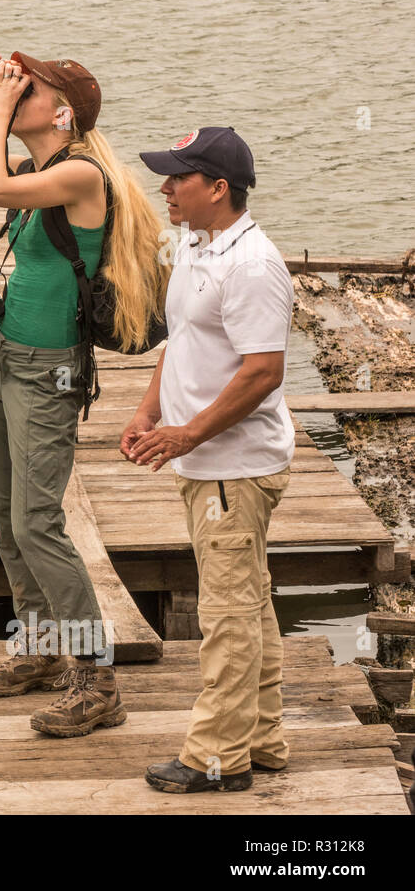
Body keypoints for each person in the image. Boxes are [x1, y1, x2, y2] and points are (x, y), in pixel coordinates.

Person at [0, 53, 168, 736]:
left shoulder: (80, 174)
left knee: (38, 522)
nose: (15, 92)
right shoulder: (33, 172)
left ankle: (97, 681)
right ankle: (40, 648)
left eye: (33, 88)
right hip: (1, 356)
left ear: (64, 112)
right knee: (5, 513)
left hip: (49, 369)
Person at [122, 126, 295, 792]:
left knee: (224, 615)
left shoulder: (251, 265)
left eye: (178, 178)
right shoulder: (197, 244)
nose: (164, 188)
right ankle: (263, 738)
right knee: (249, 604)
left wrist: (188, 434)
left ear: (218, 188)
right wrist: (149, 410)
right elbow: (183, 341)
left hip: (235, 468)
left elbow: (263, 372)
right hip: (209, 460)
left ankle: (216, 758)